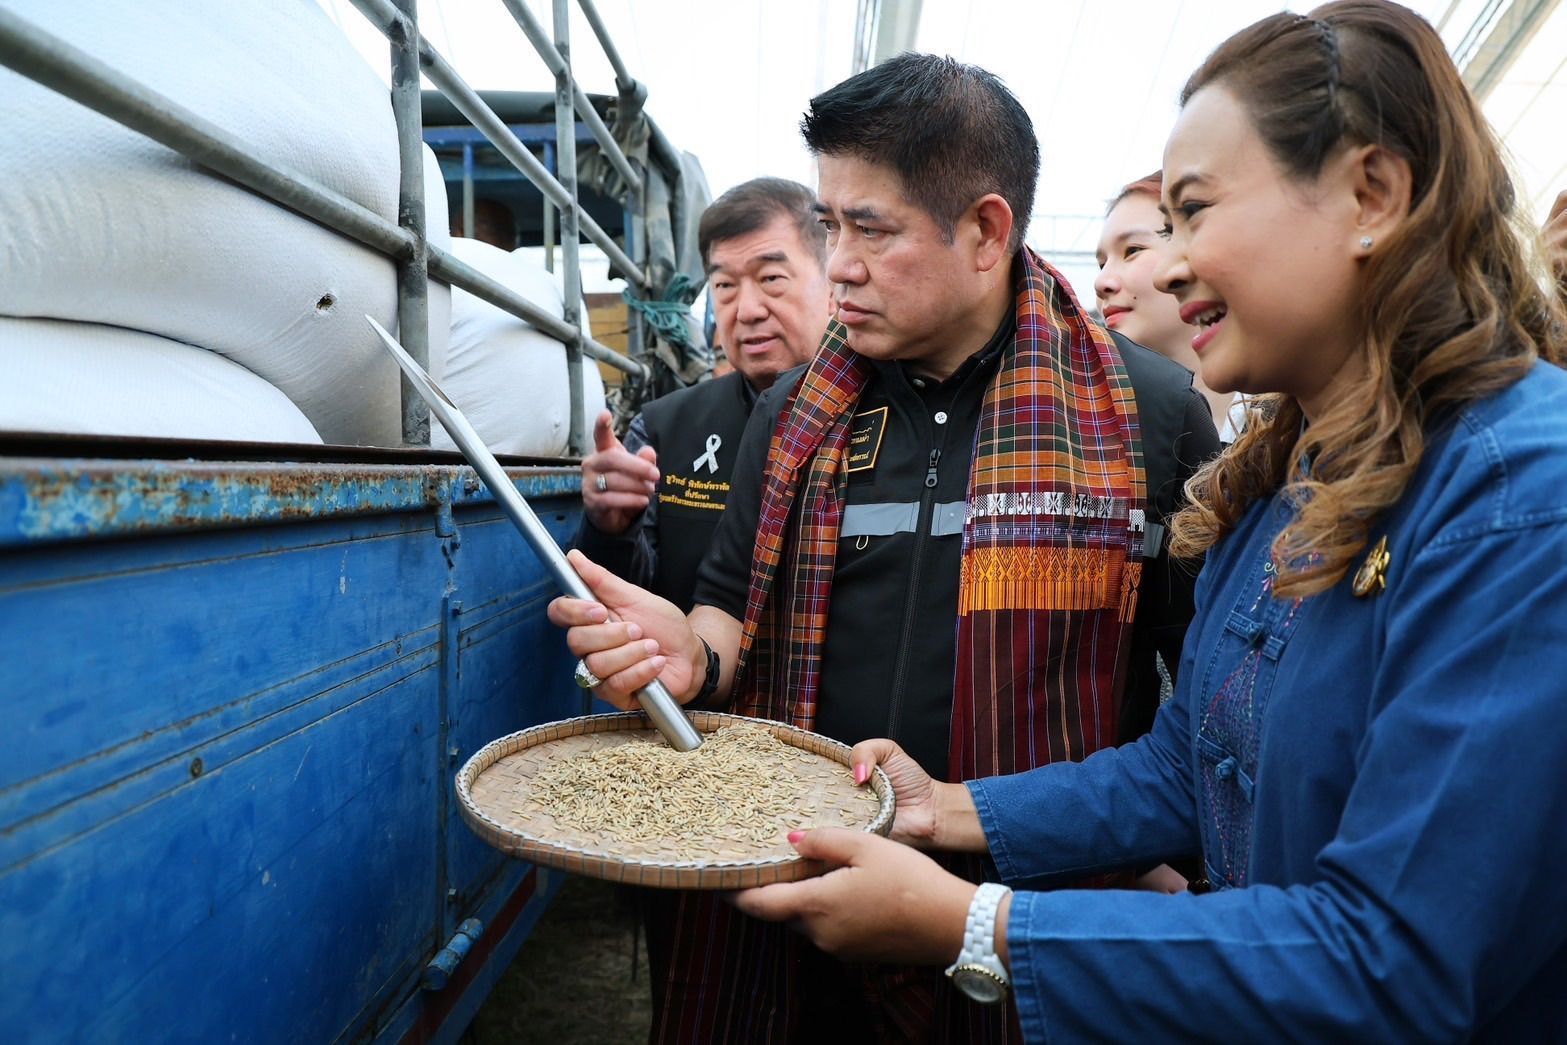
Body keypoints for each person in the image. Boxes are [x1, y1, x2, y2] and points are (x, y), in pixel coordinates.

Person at [729, 2, 1567, 1039]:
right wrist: (942, 806)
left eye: (1194, 212)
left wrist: (977, 924)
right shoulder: (1284, 478)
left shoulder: (1519, 501)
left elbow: (1395, 957)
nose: (1165, 268)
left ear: (1372, 195)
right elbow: (1186, 763)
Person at [551, 53, 1218, 1042]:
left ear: (985, 231)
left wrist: (1167, 862)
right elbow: (727, 605)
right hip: (803, 892)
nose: (841, 264)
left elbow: (1205, 706)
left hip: (1028, 914)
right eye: (830, 225)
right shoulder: (793, 412)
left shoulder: (1147, 418)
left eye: (872, 228)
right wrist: (691, 653)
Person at [573, 177, 831, 611]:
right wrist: (610, 528)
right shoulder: (660, 430)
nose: (747, 311)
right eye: (725, 286)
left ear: (832, 285)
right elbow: (622, 601)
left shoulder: (887, 416)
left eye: (771, 278)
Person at [1096, 172, 1247, 441]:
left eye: (1132, 250)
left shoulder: (1297, 416)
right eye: (1101, 264)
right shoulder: (1096, 429)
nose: (1101, 282)